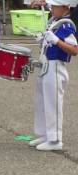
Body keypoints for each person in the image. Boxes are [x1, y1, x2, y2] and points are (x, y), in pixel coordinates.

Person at [28, 0, 78, 151]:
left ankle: (55, 139)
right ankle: (45, 134)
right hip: (46, 65)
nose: (52, 9)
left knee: (53, 103)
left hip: (56, 67)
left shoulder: (66, 25)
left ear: (65, 8)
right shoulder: (55, 22)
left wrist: (56, 41)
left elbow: (74, 50)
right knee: (41, 102)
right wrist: (43, 39)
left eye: (55, 6)